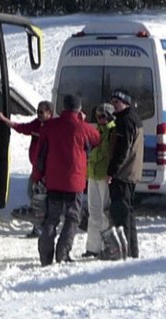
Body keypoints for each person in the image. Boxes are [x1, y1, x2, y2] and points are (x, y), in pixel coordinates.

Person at [33, 95, 100, 265]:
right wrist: (81, 120)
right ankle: (62, 254)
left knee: (51, 219)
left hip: (53, 182)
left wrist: (38, 177)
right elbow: (97, 139)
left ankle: (45, 257)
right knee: (72, 219)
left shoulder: (50, 126)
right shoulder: (82, 127)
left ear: (63, 107)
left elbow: (39, 154)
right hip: (74, 183)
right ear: (78, 109)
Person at [0, 101, 54, 238]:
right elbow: (20, 127)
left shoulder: (54, 127)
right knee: (32, 194)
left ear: (49, 113)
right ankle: (40, 226)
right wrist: (4, 120)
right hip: (36, 169)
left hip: (46, 171)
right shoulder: (36, 124)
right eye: (37, 111)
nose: (38, 114)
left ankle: (42, 228)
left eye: (41, 112)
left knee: (40, 199)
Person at [104, 90, 144, 260]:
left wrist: (111, 172)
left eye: (117, 102)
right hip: (131, 172)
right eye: (112, 101)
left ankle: (124, 251)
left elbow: (122, 150)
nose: (114, 105)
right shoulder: (133, 118)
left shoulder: (125, 122)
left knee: (121, 214)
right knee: (128, 213)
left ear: (126, 103)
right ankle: (132, 250)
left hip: (123, 174)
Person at [82, 103, 120, 260]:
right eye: (98, 116)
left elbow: (105, 152)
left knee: (105, 213)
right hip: (93, 174)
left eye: (103, 116)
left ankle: (108, 246)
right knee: (93, 212)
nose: (100, 119)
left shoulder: (112, 131)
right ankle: (92, 247)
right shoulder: (96, 130)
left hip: (105, 176)